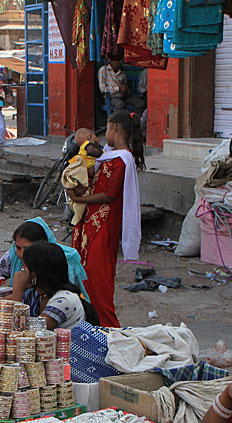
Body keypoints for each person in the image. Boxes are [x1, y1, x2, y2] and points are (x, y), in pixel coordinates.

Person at [69, 110, 144, 327]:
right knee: (85, 273)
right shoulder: (108, 155)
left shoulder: (122, 159)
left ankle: (109, 328)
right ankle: (88, 324)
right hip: (92, 221)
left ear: (114, 128)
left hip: (104, 223)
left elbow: (110, 194)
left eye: (108, 128)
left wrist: (80, 198)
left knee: (98, 276)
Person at [0, 217, 90, 301]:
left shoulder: (57, 261)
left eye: (28, 248)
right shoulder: (12, 256)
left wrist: (18, 290)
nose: (22, 254)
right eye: (18, 247)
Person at [63, 128, 104, 226]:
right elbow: (93, 151)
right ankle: (77, 217)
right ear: (90, 137)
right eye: (95, 136)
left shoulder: (81, 148)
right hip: (87, 175)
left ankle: (77, 215)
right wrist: (102, 153)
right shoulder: (89, 145)